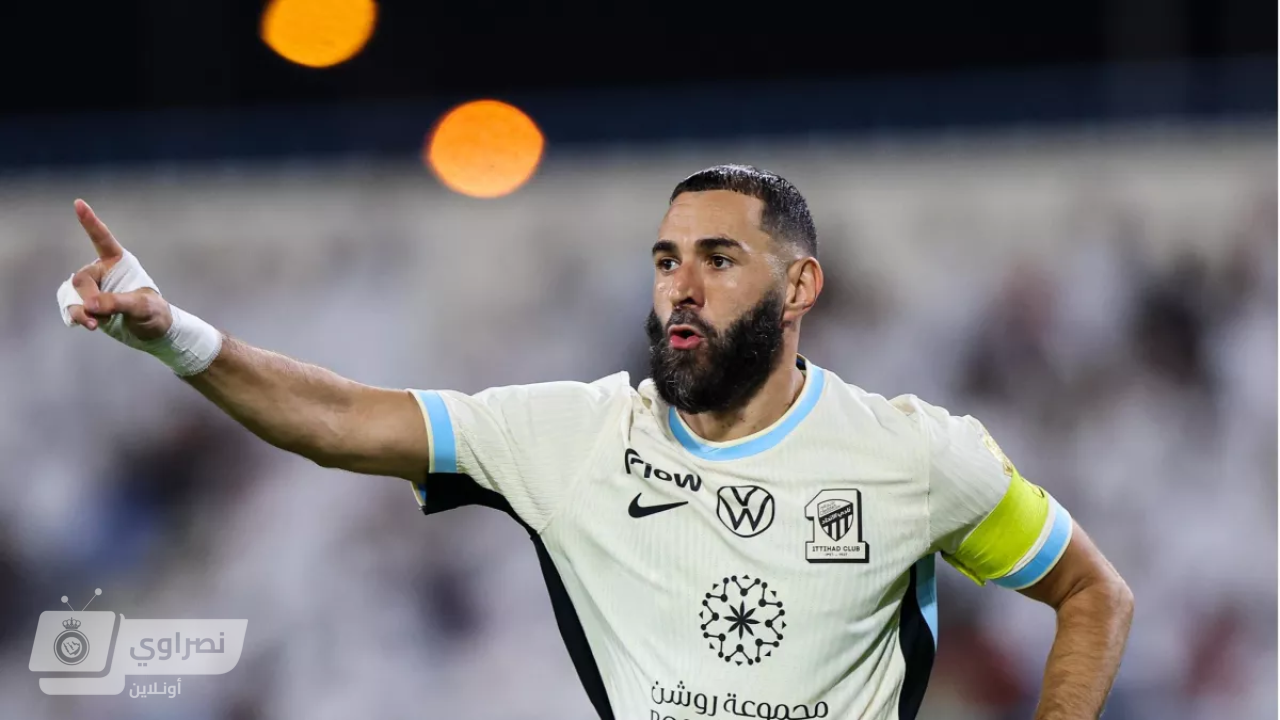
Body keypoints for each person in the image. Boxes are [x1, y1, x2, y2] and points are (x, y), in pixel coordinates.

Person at [56, 164, 1133, 720]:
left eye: (718, 259)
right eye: (666, 259)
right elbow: (339, 421)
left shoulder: (911, 456)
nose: (680, 286)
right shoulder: (571, 438)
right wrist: (177, 336)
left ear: (799, 286)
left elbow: (1093, 593)